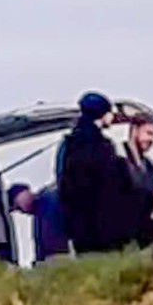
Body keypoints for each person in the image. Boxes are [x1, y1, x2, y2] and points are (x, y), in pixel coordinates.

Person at [56, 91, 129, 255]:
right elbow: (111, 185)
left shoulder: (70, 143)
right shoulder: (101, 146)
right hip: (101, 225)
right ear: (103, 114)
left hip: (78, 225)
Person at [120, 113, 153, 249]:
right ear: (134, 130)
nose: (151, 140)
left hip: (142, 238)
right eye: (148, 133)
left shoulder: (152, 169)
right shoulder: (116, 159)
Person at [7, 182, 69, 264]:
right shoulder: (38, 216)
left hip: (63, 256)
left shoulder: (50, 198)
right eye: (17, 209)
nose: (21, 211)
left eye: (18, 205)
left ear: (24, 192)